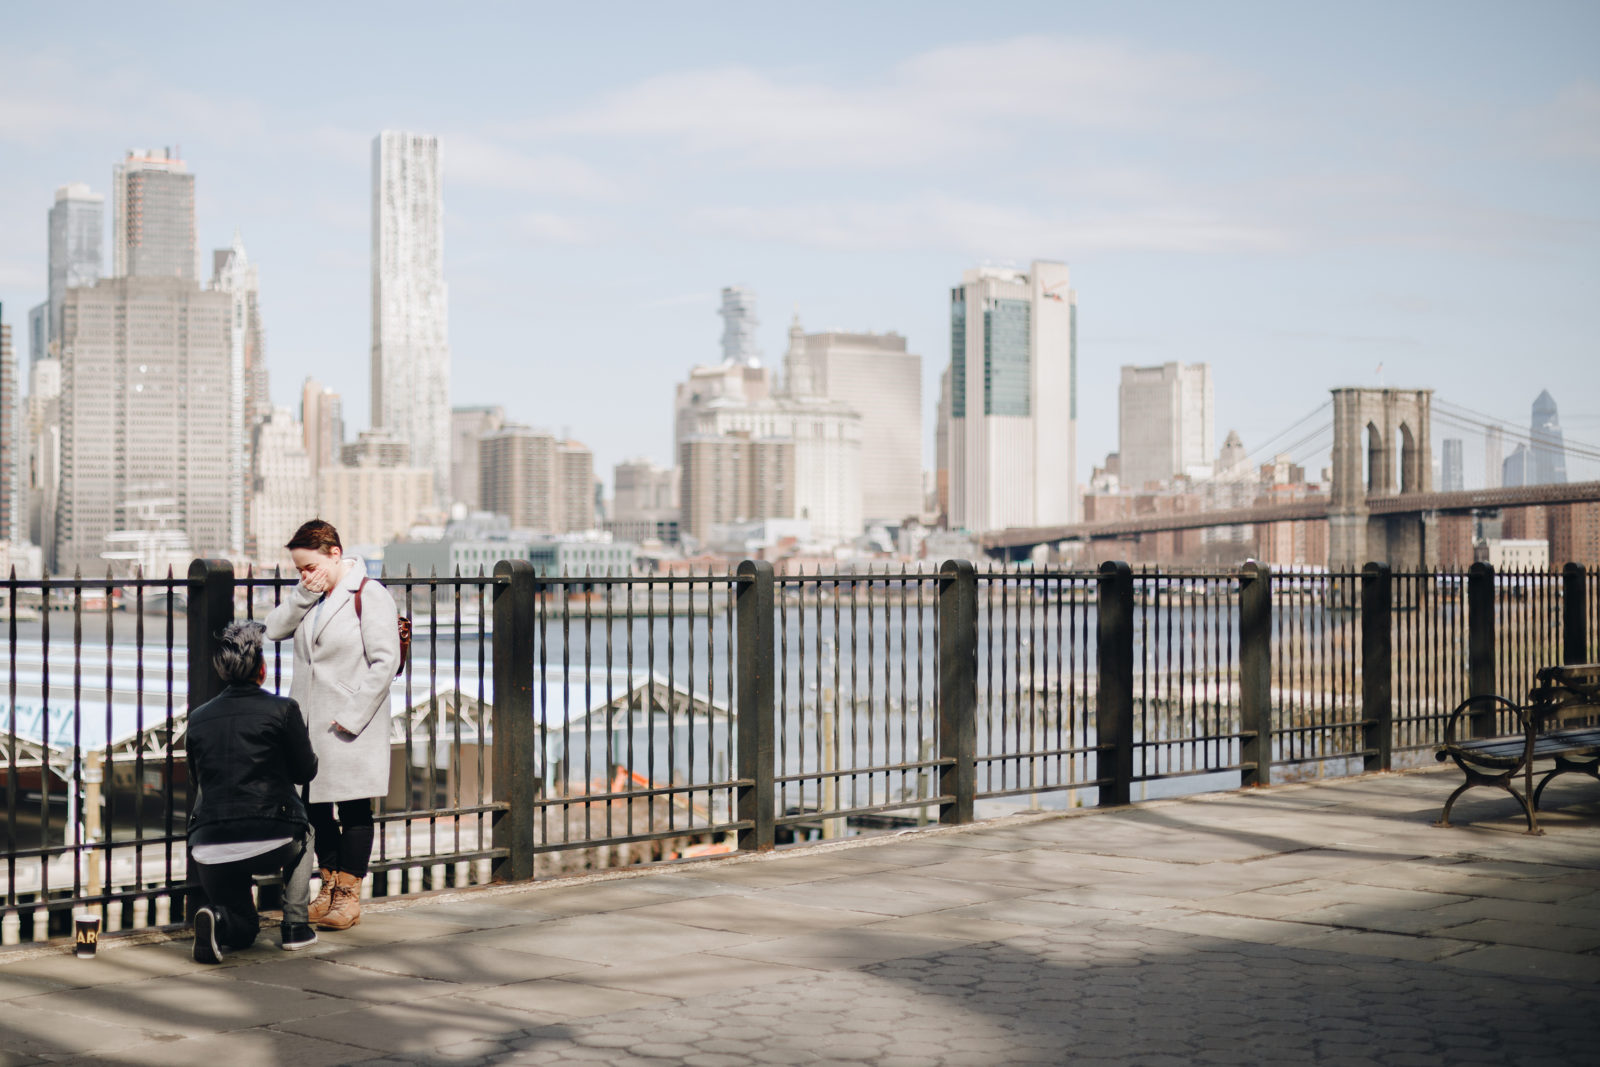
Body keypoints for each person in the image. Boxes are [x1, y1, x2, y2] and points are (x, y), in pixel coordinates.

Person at [266, 518, 400, 930]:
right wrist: (302, 594)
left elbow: (385, 661)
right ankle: (328, 886)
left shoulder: (369, 595)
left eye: (310, 567)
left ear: (334, 553)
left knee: (355, 805)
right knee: (316, 807)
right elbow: (273, 630)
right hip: (309, 722)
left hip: (350, 721)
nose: (306, 575)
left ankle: (348, 895)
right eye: (299, 569)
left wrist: (353, 714)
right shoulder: (313, 597)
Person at [187, 621, 319, 963]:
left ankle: (218, 920)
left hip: (210, 847)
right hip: (272, 837)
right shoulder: (283, 710)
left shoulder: (198, 719)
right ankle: (295, 927)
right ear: (262, 668)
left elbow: (197, 778)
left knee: (244, 931)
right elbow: (306, 772)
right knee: (306, 833)